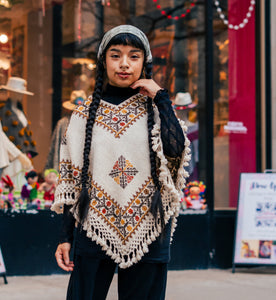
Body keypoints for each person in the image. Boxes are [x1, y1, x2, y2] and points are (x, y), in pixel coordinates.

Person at [52, 25, 190, 300]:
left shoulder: (156, 110)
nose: (124, 64)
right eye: (115, 55)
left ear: (144, 62)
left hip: (149, 227)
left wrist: (161, 97)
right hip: (93, 226)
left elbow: (176, 154)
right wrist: (65, 236)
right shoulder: (82, 116)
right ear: (104, 60)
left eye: (134, 56)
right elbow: (71, 180)